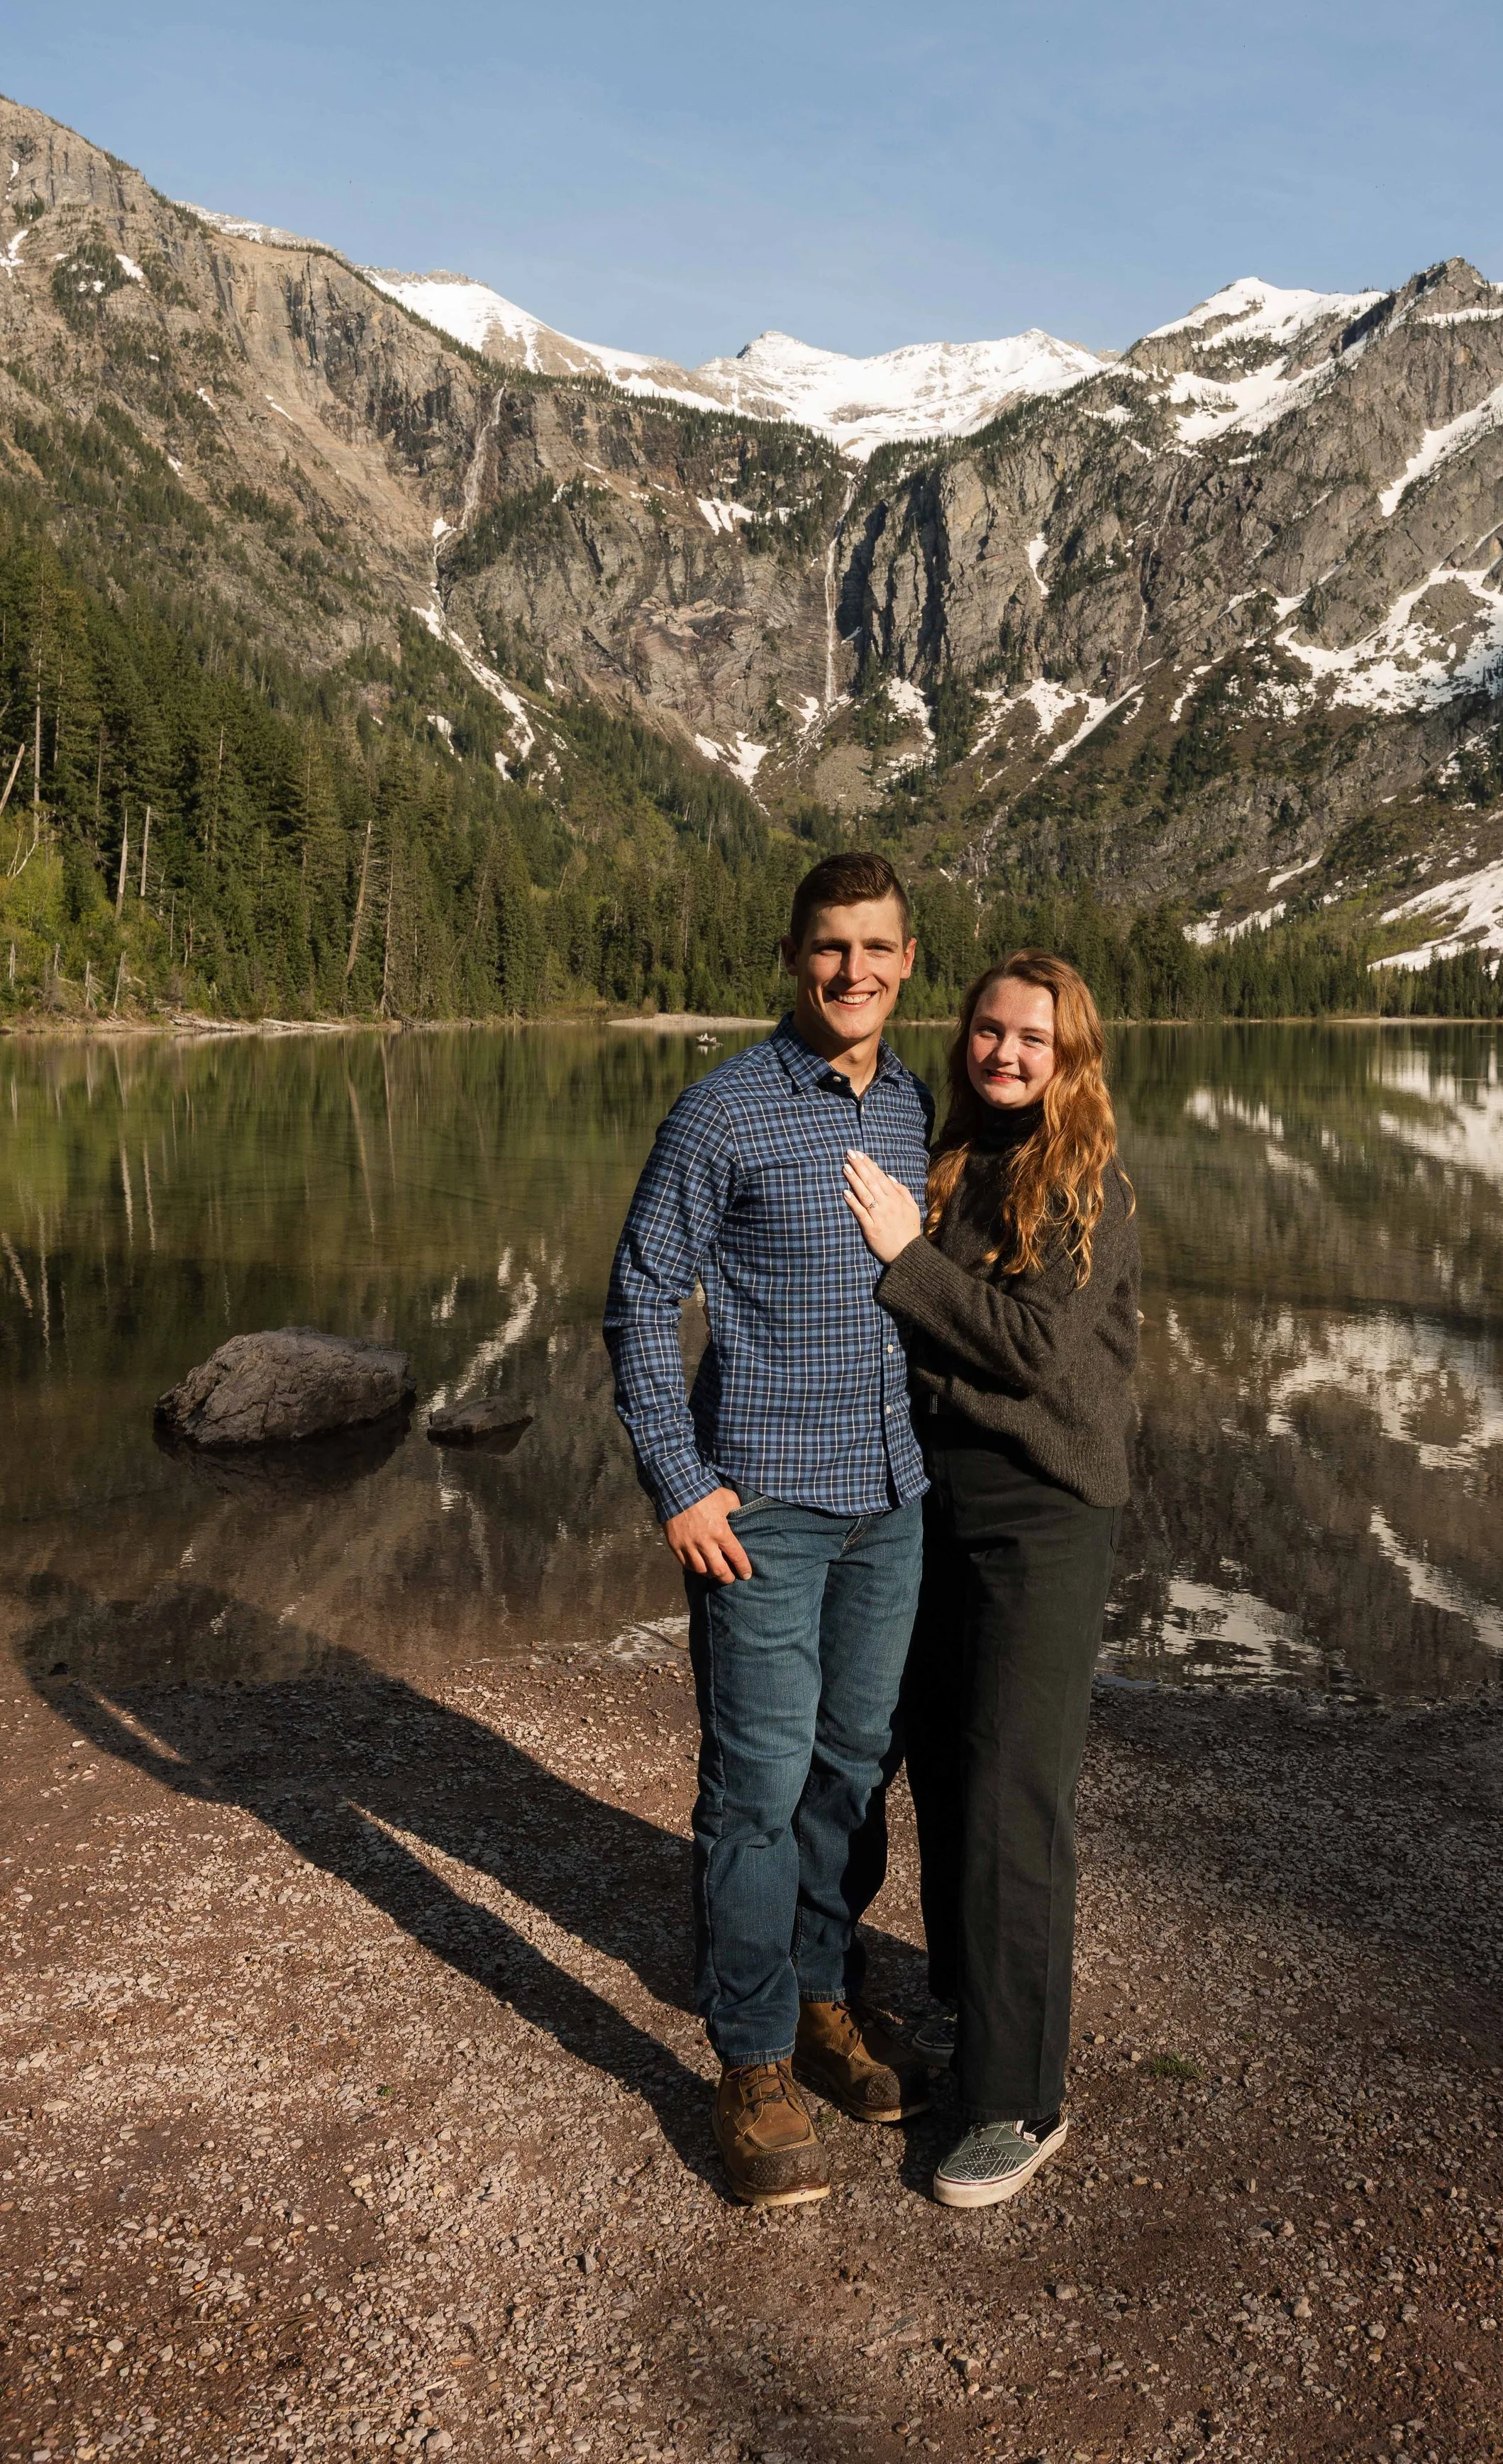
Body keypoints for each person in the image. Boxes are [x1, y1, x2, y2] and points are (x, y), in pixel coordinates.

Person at [604, 851, 934, 2208]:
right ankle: (748, 2056)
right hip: (763, 1513)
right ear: (795, 958)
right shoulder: (722, 1110)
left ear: (909, 959)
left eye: (878, 948)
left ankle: (817, 1990)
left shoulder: (916, 1106)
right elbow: (637, 1300)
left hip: (893, 1503)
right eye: (829, 949)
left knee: (853, 1769)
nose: (853, 972)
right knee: (756, 1780)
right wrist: (679, 1481)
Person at [841, 949, 1139, 2209]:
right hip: (945, 1501)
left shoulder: (1087, 1184)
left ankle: (1024, 2099)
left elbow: (1028, 1348)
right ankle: (973, 2010)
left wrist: (907, 1260)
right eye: (988, 1030)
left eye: (1035, 1038)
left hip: (1044, 1515)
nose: (1006, 1052)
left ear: (1072, 1057)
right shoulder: (964, 1161)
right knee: (951, 1766)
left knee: (1016, 1793)